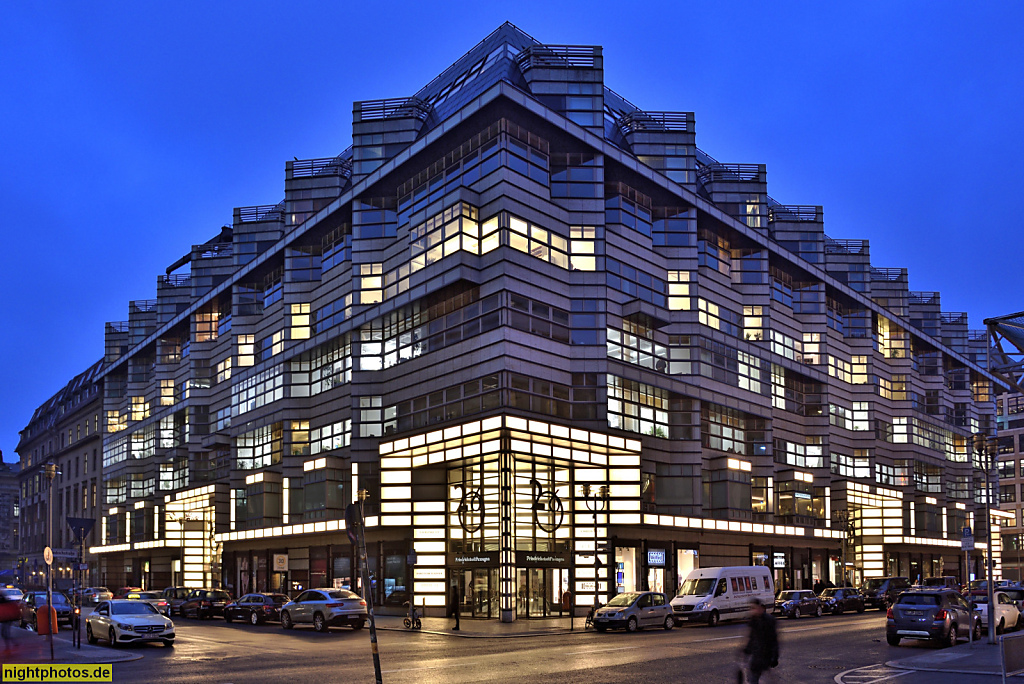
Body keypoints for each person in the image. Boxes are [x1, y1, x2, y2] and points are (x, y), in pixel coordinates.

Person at [743, 598, 779, 684]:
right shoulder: (753, 621)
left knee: (767, 679)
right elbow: (752, 638)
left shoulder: (768, 621)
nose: (752, 611)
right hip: (756, 657)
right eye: (751, 608)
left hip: (766, 656)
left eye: (753, 608)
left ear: (760, 608)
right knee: (753, 679)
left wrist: (774, 657)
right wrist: (747, 651)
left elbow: (773, 640)